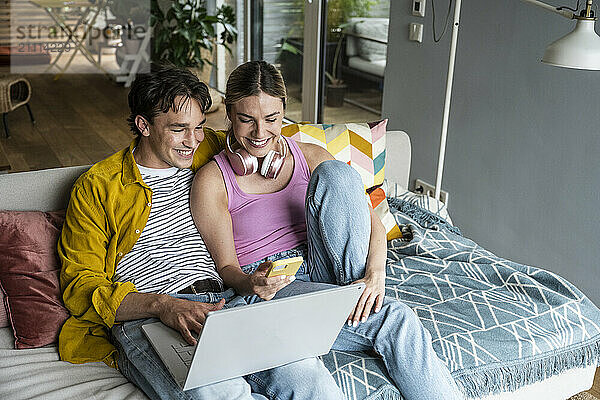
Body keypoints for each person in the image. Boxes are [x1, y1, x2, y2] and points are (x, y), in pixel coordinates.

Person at [57, 64, 344, 400]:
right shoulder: (98, 187)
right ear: (143, 125)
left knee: (308, 378)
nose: (192, 141)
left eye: (199, 127)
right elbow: (81, 287)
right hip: (153, 316)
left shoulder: (211, 149)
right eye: (179, 129)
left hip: (228, 303)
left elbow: (261, 128)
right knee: (221, 392)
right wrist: (163, 306)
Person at [190, 60, 465, 400]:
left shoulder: (309, 154)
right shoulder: (212, 180)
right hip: (270, 287)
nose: (260, 133)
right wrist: (253, 283)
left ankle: (354, 299)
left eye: (271, 119)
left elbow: (371, 225)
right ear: (230, 113)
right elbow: (227, 268)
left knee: (339, 175)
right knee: (397, 317)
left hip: (327, 266)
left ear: (283, 113)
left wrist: (375, 274)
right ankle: (351, 308)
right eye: (247, 119)